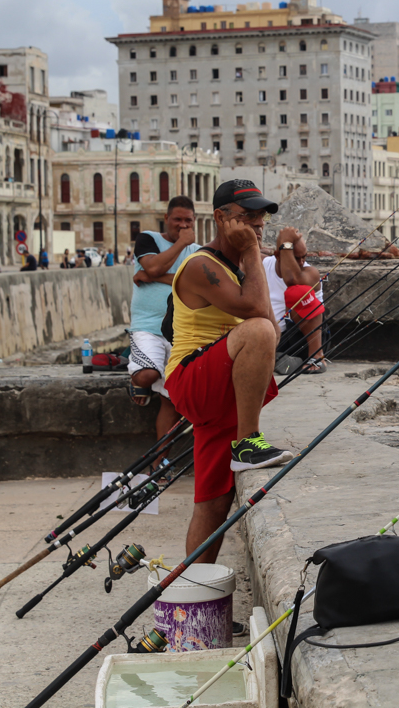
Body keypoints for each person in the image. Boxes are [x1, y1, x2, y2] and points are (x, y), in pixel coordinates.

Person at [164, 179, 292, 565]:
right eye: (246, 217)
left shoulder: (236, 267)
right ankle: (248, 443)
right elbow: (258, 319)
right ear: (221, 218)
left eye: (260, 219)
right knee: (257, 330)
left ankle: (197, 600)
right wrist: (253, 252)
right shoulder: (201, 265)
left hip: (221, 381)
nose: (256, 226)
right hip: (193, 378)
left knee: (213, 502)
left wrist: (250, 253)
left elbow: (271, 326)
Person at [128, 196, 200, 451]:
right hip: (147, 326)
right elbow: (155, 266)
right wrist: (180, 244)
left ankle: (160, 464)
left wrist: (151, 277)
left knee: (170, 401)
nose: (182, 225)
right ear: (167, 219)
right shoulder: (148, 239)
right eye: (177, 219)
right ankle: (135, 380)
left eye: (188, 221)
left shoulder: (198, 251)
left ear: (195, 222)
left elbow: (193, 284)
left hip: (180, 333)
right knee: (148, 375)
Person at [263, 227, 327, 375]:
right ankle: (280, 358)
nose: (301, 262)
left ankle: (316, 357)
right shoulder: (264, 265)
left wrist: (286, 242)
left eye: (304, 257)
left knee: (298, 291)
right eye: (296, 258)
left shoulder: (310, 273)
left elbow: (292, 280)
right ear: (278, 255)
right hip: (278, 337)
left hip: (306, 338)